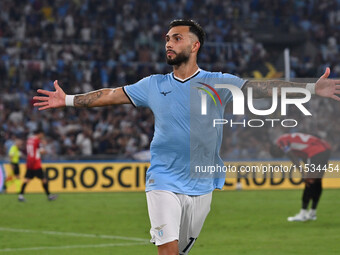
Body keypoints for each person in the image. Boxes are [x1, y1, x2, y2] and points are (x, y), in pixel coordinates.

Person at [33, 20, 340, 255]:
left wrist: (312, 88)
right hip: (163, 178)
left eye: (176, 38)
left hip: (203, 181)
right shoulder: (152, 84)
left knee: (180, 250)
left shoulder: (218, 82)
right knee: (167, 250)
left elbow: (263, 89)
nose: (168, 43)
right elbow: (111, 94)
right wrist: (69, 99)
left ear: (194, 46)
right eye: (167, 39)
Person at [270, 133, 331, 222]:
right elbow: (303, 156)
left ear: (276, 148)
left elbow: (292, 156)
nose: (282, 154)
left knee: (309, 182)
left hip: (316, 151)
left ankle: (302, 214)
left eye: (279, 153)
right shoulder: (292, 141)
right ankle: (312, 212)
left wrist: (302, 172)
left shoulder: (281, 141)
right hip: (325, 149)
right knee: (317, 181)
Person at [18, 129, 58, 202]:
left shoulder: (29, 140)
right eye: (42, 134)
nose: (42, 136)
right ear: (39, 134)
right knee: (44, 179)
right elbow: (41, 151)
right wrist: (45, 149)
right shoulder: (37, 141)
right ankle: (49, 196)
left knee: (27, 179)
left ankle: (20, 196)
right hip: (36, 163)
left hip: (29, 162)